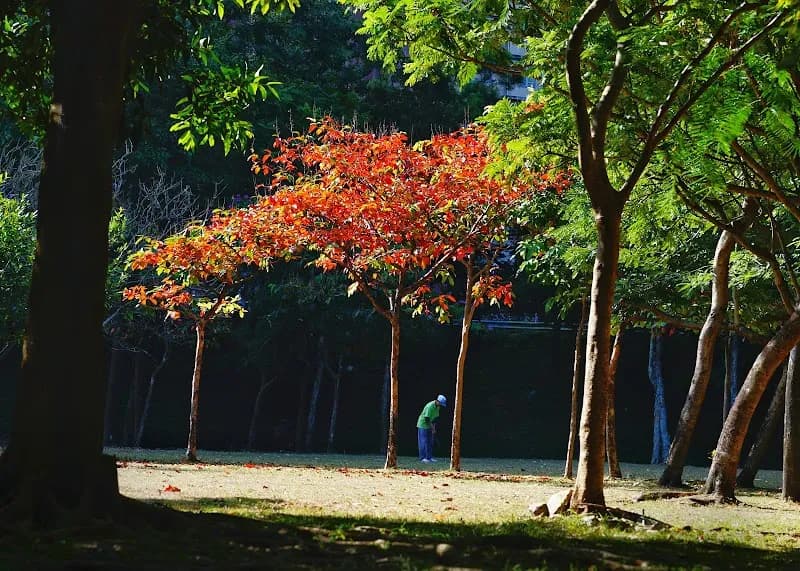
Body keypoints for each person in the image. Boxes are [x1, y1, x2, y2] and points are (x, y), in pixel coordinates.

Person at [417, 394, 447, 463]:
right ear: (437, 401)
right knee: (423, 442)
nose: (441, 405)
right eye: (441, 403)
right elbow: (427, 418)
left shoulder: (438, 407)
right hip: (422, 425)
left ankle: (429, 457)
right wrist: (432, 428)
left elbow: (435, 418)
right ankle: (423, 458)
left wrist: (434, 427)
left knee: (430, 441)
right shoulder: (430, 406)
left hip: (429, 425)